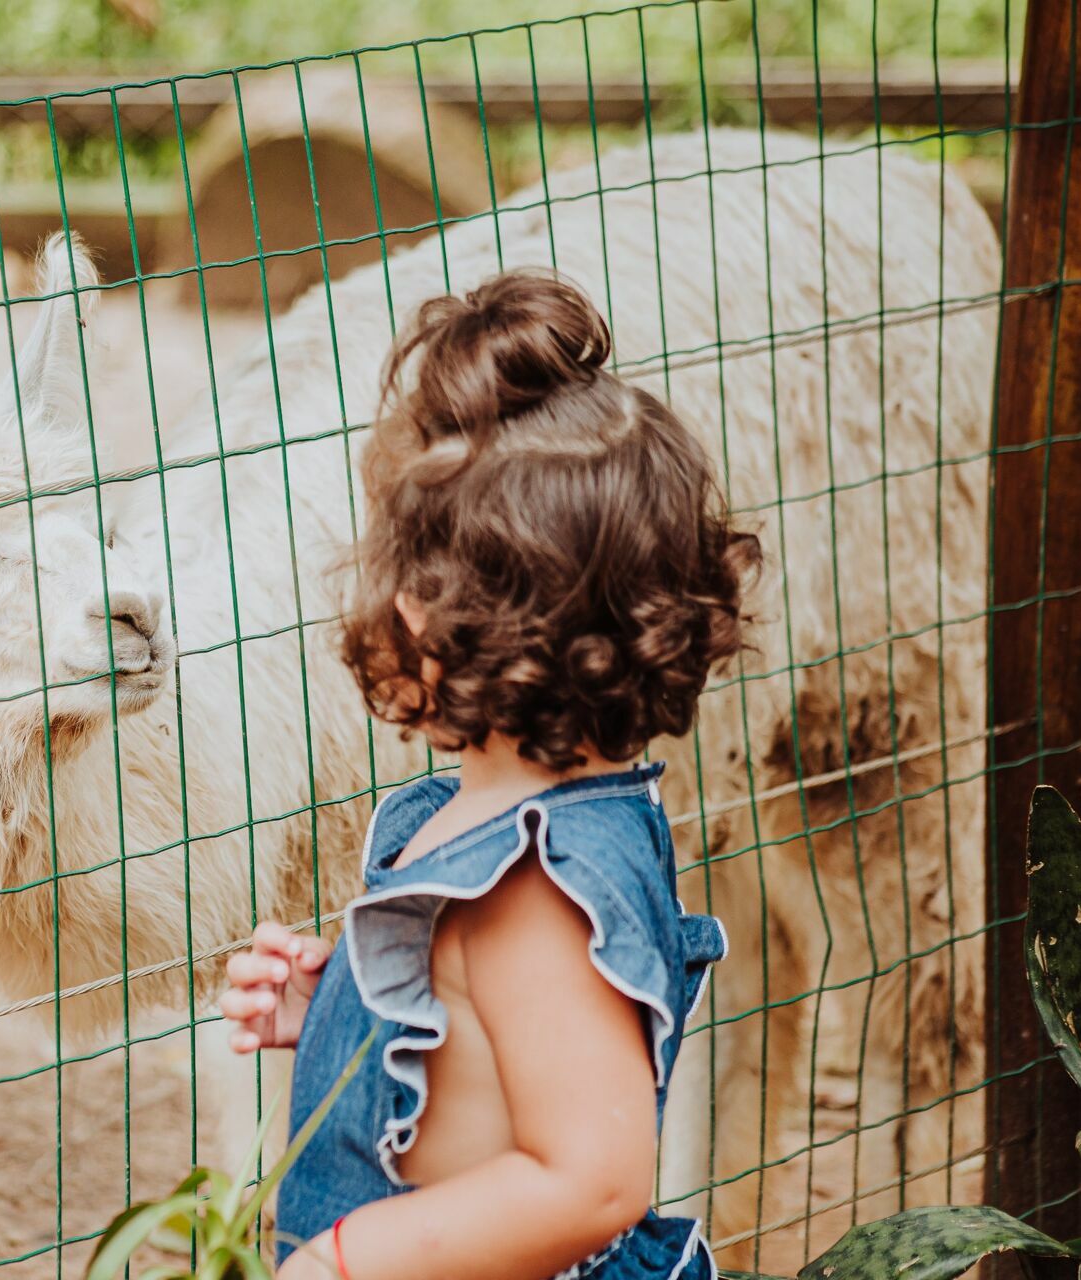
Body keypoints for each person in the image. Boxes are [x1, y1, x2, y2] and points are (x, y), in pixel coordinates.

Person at [221, 269, 759, 1280]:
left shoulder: (533, 888)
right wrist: (344, 1008)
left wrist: (345, 1255)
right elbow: (480, 1048)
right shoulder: (491, 816)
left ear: (426, 608)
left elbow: (594, 1180)